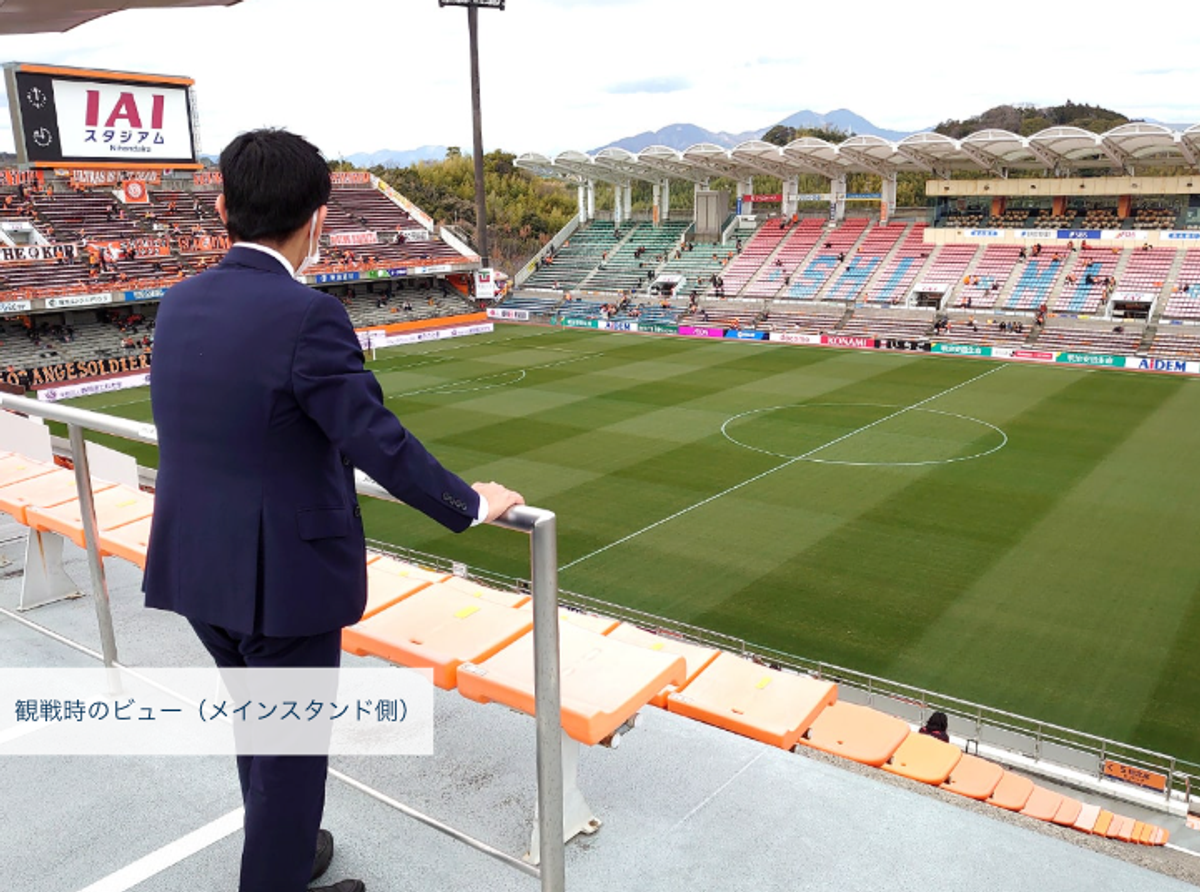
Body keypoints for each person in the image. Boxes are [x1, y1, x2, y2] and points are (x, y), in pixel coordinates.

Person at [142, 130, 524, 892]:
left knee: (259, 730)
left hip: (197, 567)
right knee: (290, 753)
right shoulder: (307, 314)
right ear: (318, 217)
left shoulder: (180, 301)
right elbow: (376, 440)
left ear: (222, 208)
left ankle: (284, 852)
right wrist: (470, 503)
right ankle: (275, 873)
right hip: (282, 585)